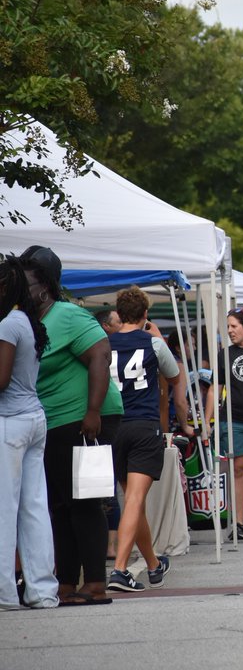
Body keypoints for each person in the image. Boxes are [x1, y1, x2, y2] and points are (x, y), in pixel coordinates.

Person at [22, 245, 123, 606]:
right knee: (61, 505)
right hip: (55, 422)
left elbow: (101, 354)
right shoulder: (35, 320)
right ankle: (66, 582)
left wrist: (92, 412)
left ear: (45, 287)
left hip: (85, 420)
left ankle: (95, 582)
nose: (21, 287)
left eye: (27, 281)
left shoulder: (66, 315)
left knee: (84, 502)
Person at [106, 286, 191, 593]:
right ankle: (120, 569)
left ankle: (153, 565)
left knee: (132, 501)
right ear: (144, 315)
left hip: (113, 425)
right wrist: (154, 337)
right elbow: (174, 376)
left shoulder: (104, 342)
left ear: (119, 314)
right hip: (143, 424)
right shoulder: (152, 343)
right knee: (134, 499)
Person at [0, 256, 57, 610]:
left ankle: (5, 593)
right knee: (35, 508)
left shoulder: (8, 324)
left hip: (10, 422)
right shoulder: (28, 321)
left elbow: (1, 380)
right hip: (34, 418)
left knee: (5, 509)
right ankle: (42, 590)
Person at [206, 306, 243, 540]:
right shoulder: (224, 354)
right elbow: (214, 389)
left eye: (233, 326)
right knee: (239, 469)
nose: (229, 331)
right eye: (227, 327)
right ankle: (238, 523)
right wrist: (208, 421)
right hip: (235, 419)